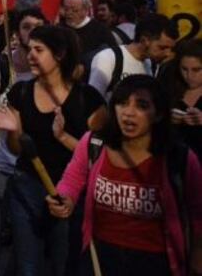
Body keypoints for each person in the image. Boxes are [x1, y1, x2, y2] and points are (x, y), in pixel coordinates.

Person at [0, 25, 108, 276]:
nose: (30, 56)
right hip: (26, 186)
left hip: (69, 195)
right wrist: (14, 129)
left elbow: (98, 158)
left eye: (39, 50)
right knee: (27, 266)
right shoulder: (21, 92)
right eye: (30, 49)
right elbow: (16, 149)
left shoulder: (89, 99)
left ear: (59, 54)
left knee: (63, 264)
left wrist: (62, 137)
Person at [49, 75, 202, 276]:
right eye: (122, 104)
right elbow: (73, 178)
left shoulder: (179, 159)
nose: (128, 113)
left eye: (141, 105)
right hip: (100, 256)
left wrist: (196, 264)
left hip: (156, 262)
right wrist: (64, 198)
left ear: (158, 114)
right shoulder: (94, 143)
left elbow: (197, 215)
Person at [0, 7, 45, 276]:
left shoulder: (47, 69)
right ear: (16, 33)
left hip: (33, 162)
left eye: (38, 26)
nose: (33, 31)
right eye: (27, 26)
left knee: (25, 227)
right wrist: (6, 116)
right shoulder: (0, 65)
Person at [88, 13, 178, 101]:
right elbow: (92, 102)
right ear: (144, 40)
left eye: (171, 48)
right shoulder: (108, 58)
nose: (168, 53)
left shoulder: (153, 65)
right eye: (162, 47)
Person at [60, 0, 117, 70]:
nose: (69, 13)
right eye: (66, 9)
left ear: (85, 10)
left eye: (74, 10)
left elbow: (112, 54)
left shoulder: (100, 30)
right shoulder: (59, 29)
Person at [166, 39, 202, 159]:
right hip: (175, 162)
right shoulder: (170, 89)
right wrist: (168, 119)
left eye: (196, 70)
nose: (189, 76)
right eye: (184, 69)